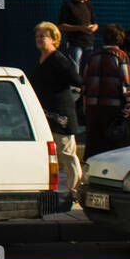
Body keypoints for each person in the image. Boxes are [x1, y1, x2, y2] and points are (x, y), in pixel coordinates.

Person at [31, 22, 82, 199]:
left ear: (54, 39)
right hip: (46, 113)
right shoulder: (41, 60)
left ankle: (75, 189)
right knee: (48, 151)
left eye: (43, 36)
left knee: (66, 151)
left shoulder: (59, 60)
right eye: (37, 36)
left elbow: (77, 80)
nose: (39, 39)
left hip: (61, 113)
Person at [80, 24, 130, 158]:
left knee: (95, 146)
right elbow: (127, 84)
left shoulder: (93, 56)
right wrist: (129, 105)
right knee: (114, 147)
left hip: (93, 108)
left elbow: (84, 83)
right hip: (113, 108)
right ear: (120, 39)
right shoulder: (121, 56)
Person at [57, 0, 97, 72]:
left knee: (88, 70)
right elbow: (61, 26)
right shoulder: (68, 5)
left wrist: (93, 28)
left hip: (89, 44)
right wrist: (80, 28)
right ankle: (75, 87)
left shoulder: (88, 5)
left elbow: (95, 23)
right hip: (74, 44)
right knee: (75, 70)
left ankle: (86, 87)